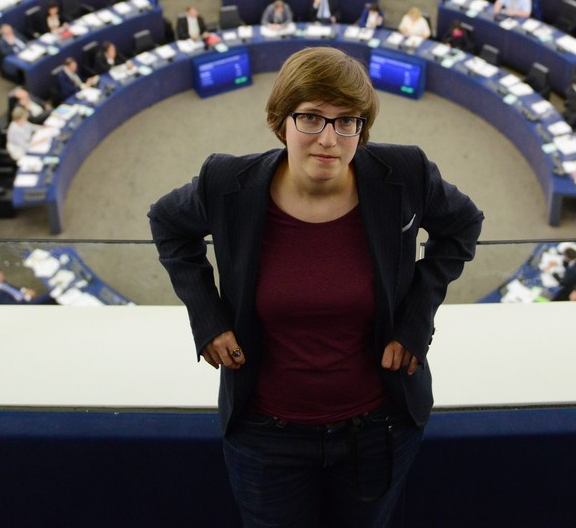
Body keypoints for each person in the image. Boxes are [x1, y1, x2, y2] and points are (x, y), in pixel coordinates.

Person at [149, 46, 480, 526]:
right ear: (280, 120)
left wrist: (416, 319)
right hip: (265, 438)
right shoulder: (227, 183)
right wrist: (207, 315)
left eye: (348, 121)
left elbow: (462, 225)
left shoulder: (403, 174)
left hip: (378, 430)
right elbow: (167, 223)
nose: (329, 139)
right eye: (311, 118)